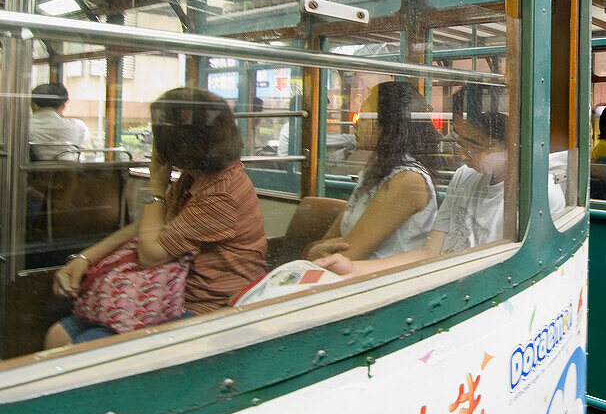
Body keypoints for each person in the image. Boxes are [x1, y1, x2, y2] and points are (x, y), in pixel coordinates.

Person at [45, 88, 267, 346]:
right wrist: (85, 257)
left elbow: (150, 255)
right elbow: (147, 227)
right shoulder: (198, 175)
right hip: (164, 289)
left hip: (202, 304)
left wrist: (156, 186)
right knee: (57, 336)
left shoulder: (222, 194)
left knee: (73, 350)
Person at [318, 84, 565, 278]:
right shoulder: (464, 178)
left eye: (475, 145)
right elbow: (429, 251)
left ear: (514, 141)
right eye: (459, 140)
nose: (461, 153)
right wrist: (355, 269)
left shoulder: (540, 196)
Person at [305, 82, 439, 269]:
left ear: (387, 125)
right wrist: (314, 250)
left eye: (364, 116)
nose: (356, 124)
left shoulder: (407, 179)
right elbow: (329, 239)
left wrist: (312, 251)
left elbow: (347, 254)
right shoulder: (376, 171)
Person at [28, 83, 90, 161]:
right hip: (70, 172)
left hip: (33, 172)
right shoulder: (77, 126)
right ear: (63, 105)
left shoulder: (25, 126)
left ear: (32, 104)